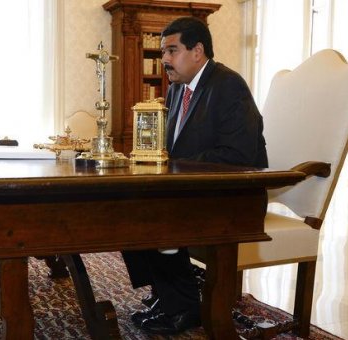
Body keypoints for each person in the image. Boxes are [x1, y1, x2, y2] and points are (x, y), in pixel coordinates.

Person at [121, 16, 268, 335]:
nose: (164, 60)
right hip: (192, 190)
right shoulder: (176, 91)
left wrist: (172, 167)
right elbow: (172, 150)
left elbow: (238, 156)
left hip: (233, 195)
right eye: (162, 53)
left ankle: (187, 307)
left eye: (172, 51)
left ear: (198, 50)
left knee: (154, 215)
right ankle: (168, 293)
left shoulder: (228, 85)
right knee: (126, 205)